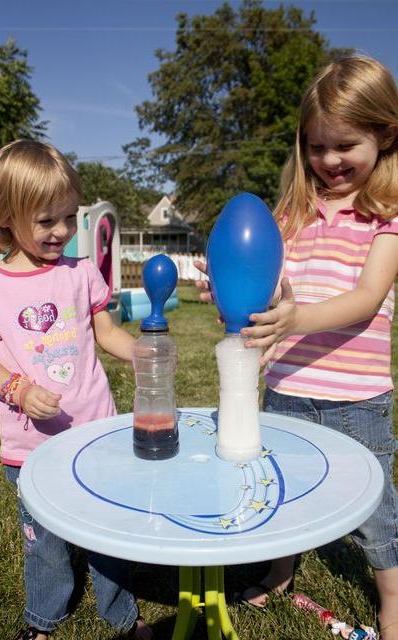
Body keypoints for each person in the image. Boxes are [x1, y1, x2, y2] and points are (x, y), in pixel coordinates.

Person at [196, 54, 398, 639]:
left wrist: (293, 318)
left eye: (346, 145)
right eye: (316, 146)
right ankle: (280, 571)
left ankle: (391, 604)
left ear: (384, 135)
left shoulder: (384, 218)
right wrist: (235, 288)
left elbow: (366, 297)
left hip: (355, 397)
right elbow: (273, 281)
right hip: (285, 385)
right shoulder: (291, 213)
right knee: (280, 488)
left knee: (376, 515)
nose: (330, 161)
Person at [0, 140, 152, 640]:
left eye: (69, 218)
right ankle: (43, 617)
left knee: (105, 531)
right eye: (47, 221)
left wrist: (138, 352)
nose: (63, 232)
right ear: (6, 216)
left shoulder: (81, 273)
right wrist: (17, 389)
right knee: (44, 541)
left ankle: (121, 614)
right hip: (30, 447)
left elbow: (106, 332)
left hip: (94, 433)